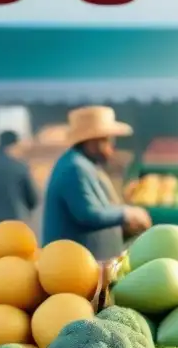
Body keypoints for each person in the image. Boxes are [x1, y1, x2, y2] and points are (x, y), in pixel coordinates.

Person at [42, 106, 151, 259]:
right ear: (92, 141)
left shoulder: (84, 164)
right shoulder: (75, 167)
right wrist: (127, 213)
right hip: (70, 270)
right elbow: (88, 214)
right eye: (107, 140)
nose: (112, 146)